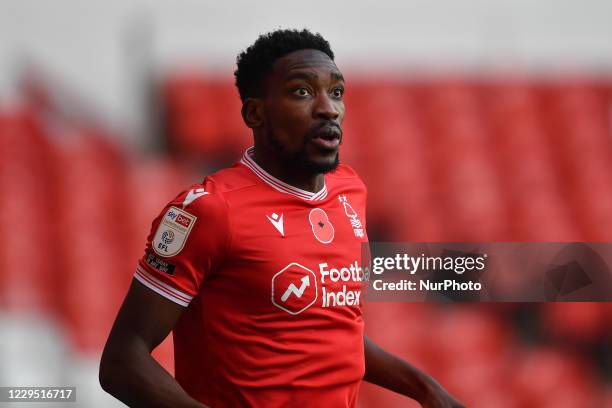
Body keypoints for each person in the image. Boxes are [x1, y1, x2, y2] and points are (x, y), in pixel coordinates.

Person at [99, 29, 464, 408]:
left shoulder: (350, 192)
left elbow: (332, 330)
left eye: (336, 92)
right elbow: (123, 362)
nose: (328, 108)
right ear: (255, 112)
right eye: (302, 92)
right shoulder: (210, 210)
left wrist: (424, 388)